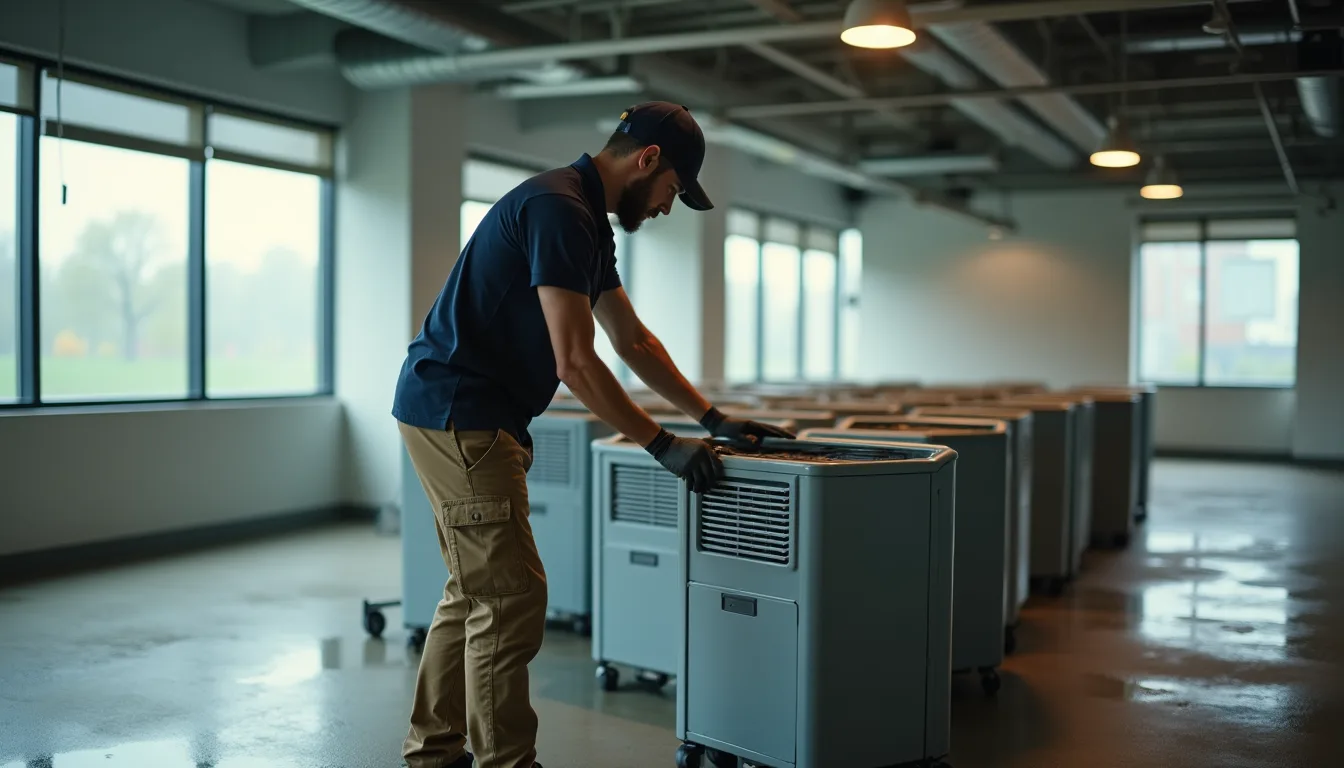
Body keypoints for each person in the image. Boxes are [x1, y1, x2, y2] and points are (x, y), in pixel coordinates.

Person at [390, 101, 795, 768]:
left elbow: (632, 340)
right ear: (648, 160)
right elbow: (575, 362)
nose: (666, 208)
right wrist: (661, 445)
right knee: (511, 596)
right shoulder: (559, 209)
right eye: (672, 191)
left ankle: (433, 752)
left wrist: (711, 419)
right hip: (462, 412)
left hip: (457, 409)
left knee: (478, 590)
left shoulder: (582, 217)